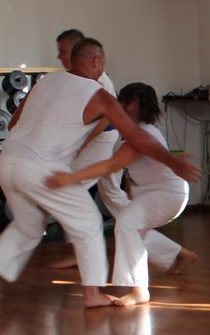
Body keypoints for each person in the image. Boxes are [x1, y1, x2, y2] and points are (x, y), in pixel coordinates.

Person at [0, 38, 200, 308]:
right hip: (40, 166)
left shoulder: (45, 81)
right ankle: (92, 294)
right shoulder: (99, 95)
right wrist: (174, 163)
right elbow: (137, 137)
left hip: (7, 159)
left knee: (28, 226)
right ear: (96, 61)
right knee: (89, 222)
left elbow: (13, 123)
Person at [44, 82, 196, 304]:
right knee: (131, 229)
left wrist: (71, 178)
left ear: (142, 106)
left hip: (168, 194)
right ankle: (173, 260)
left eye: (129, 102)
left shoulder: (142, 134)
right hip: (156, 193)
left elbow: (113, 164)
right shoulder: (134, 130)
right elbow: (125, 165)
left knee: (127, 223)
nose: (122, 106)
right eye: (121, 101)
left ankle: (139, 290)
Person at [51, 29, 128, 269]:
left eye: (63, 52)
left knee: (69, 189)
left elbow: (105, 119)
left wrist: (81, 145)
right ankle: (161, 245)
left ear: (77, 53)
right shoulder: (78, 80)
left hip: (102, 142)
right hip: (102, 141)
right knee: (113, 195)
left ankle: (81, 251)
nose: (60, 57)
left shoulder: (100, 82)